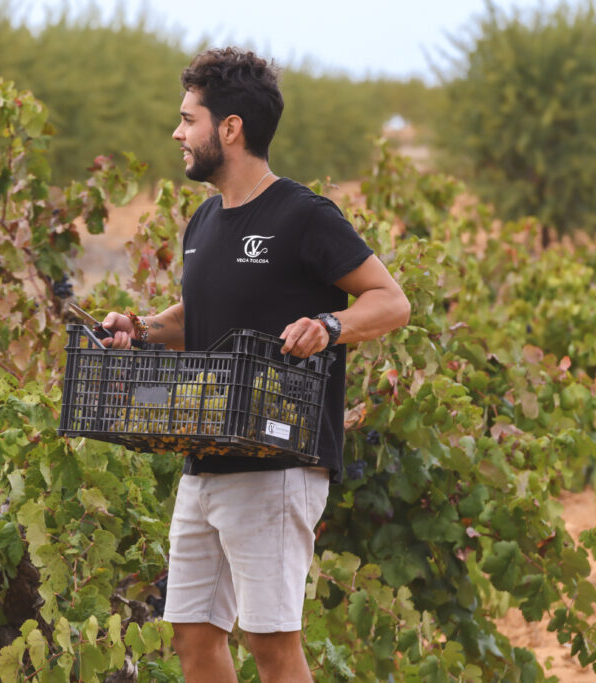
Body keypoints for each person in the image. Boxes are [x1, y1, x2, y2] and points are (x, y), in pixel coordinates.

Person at [101, 48, 411, 682]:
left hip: (278, 463)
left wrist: (329, 326)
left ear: (231, 128)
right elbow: (198, 316)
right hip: (206, 456)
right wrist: (142, 328)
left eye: (188, 119)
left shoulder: (303, 215)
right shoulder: (204, 220)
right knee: (192, 636)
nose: (177, 133)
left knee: (271, 645)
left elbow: (391, 301)